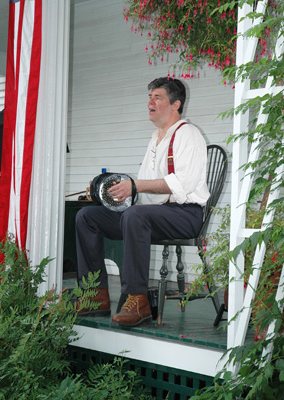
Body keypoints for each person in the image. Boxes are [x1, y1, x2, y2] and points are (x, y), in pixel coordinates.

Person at [75, 77, 210, 327]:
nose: (150, 102)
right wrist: (111, 190)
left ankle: (137, 299)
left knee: (135, 216)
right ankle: (95, 295)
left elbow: (181, 184)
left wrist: (135, 185)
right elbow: (145, 193)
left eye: (157, 98)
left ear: (175, 104)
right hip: (149, 214)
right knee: (87, 216)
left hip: (185, 215)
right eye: (149, 97)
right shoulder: (155, 139)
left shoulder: (188, 134)